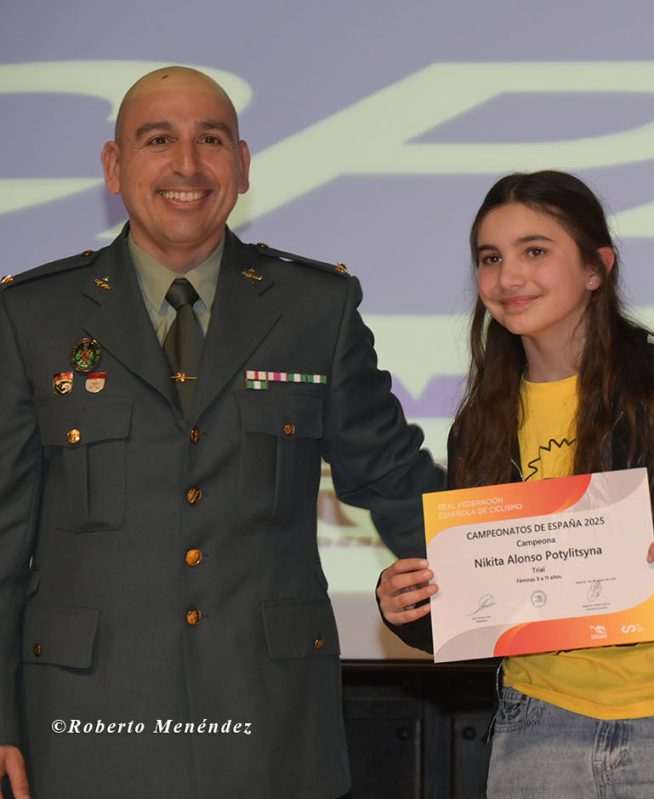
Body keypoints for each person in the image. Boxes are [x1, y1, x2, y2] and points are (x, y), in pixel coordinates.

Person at [0, 66, 442, 799]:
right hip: (86, 722)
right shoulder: (31, 317)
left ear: (240, 165)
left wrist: (526, 563)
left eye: (210, 140)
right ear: (114, 166)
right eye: (157, 140)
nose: (187, 165)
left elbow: (393, 477)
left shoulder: (314, 307)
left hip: (269, 721)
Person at [377, 170, 654, 796]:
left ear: (596, 268)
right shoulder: (480, 421)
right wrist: (411, 608)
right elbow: (483, 596)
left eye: (534, 251)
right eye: (490, 258)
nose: (508, 277)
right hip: (535, 722)